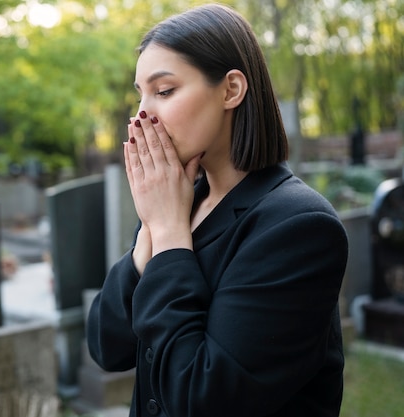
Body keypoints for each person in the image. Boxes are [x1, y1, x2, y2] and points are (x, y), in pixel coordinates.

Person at [86, 4, 349, 417]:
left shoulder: (299, 227)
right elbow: (107, 346)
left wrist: (171, 235)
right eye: (140, 93)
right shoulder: (177, 201)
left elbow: (205, 398)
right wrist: (147, 244)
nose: (142, 114)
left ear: (231, 90)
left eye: (164, 90)